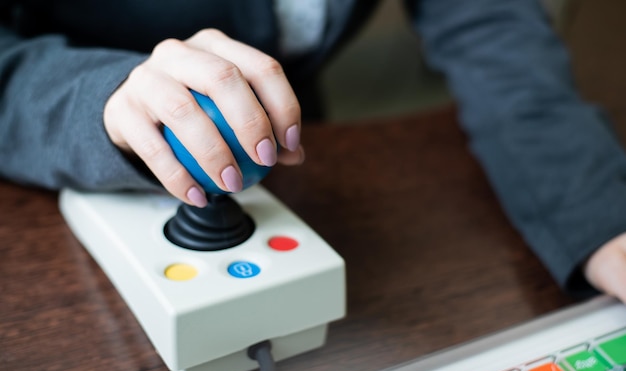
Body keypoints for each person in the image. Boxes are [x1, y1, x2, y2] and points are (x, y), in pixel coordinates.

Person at [1, 0, 626, 304]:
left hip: (290, 152)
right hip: (61, 163)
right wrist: (102, 99)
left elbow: (490, 28)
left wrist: (598, 221)